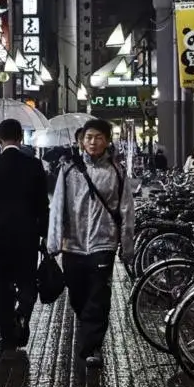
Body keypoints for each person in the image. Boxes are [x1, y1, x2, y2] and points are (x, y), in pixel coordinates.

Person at [47, 118, 135, 369]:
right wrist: (54, 242)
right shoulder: (69, 170)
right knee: (77, 294)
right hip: (72, 244)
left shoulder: (117, 171)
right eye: (88, 138)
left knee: (98, 295)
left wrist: (127, 247)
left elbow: (127, 209)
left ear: (107, 140)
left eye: (98, 137)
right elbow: (58, 207)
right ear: (81, 141)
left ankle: (91, 346)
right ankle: (87, 326)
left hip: (103, 243)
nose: (93, 142)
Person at [0, 119, 50, 348]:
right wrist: (45, 234)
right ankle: (23, 311)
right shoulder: (34, 166)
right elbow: (42, 205)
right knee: (27, 281)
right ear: (20, 138)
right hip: (27, 236)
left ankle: (8, 332)